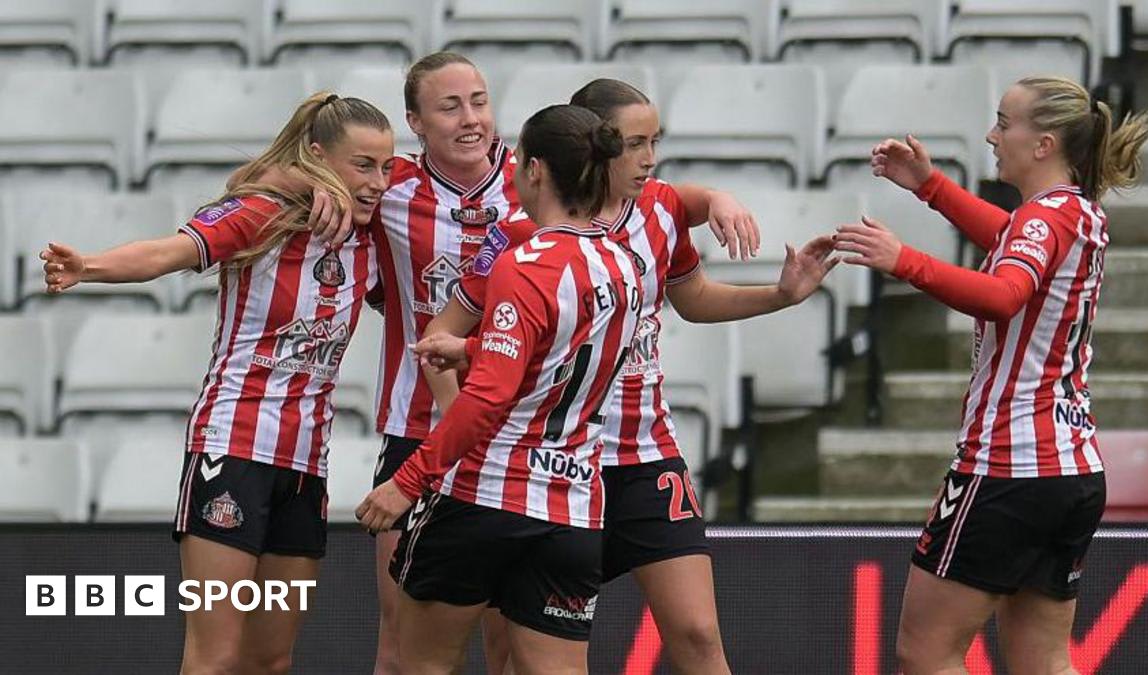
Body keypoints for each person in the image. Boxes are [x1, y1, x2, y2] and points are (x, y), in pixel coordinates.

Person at [281, 52, 760, 674]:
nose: (471, 118)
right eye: (449, 106)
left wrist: (714, 197)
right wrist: (312, 182)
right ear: (415, 122)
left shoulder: (533, 179)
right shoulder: (385, 185)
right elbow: (284, 181)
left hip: (508, 446)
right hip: (424, 428)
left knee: (509, 644)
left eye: (479, 100)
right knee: (402, 640)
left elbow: (649, 192)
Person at [420, 78, 838, 675]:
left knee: (697, 633)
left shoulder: (662, 209)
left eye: (655, 142)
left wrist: (780, 294)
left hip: (644, 455)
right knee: (512, 652)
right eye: (634, 144)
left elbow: (691, 298)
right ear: (592, 143)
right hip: (549, 467)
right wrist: (463, 435)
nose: (649, 159)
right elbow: (444, 333)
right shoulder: (520, 232)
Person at [41, 93, 394, 674]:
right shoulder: (262, 214)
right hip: (232, 450)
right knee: (215, 656)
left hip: (305, 464)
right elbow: (169, 251)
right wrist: (90, 267)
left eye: (385, 166)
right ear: (317, 156)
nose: (378, 181)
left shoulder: (369, 238)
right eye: (362, 166)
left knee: (271, 659)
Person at [832, 76, 1148, 674]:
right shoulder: (1078, 214)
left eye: (1004, 123)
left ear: (1043, 144)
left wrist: (903, 260)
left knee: (926, 653)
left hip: (1006, 466)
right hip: (1071, 470)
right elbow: (1011, 238)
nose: (992, 135)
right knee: (1044, 660)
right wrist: (931, 187)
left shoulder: (1042, 221)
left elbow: (1005, 294)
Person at [355, 104, 643, 675]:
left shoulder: (525, 261)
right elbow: (566, 360)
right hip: (573, 507)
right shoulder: (624, 262)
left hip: (488, 496)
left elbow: (487, 400)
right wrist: (474, 349)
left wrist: (406, 482)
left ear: (535, 170)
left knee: (415, 665)